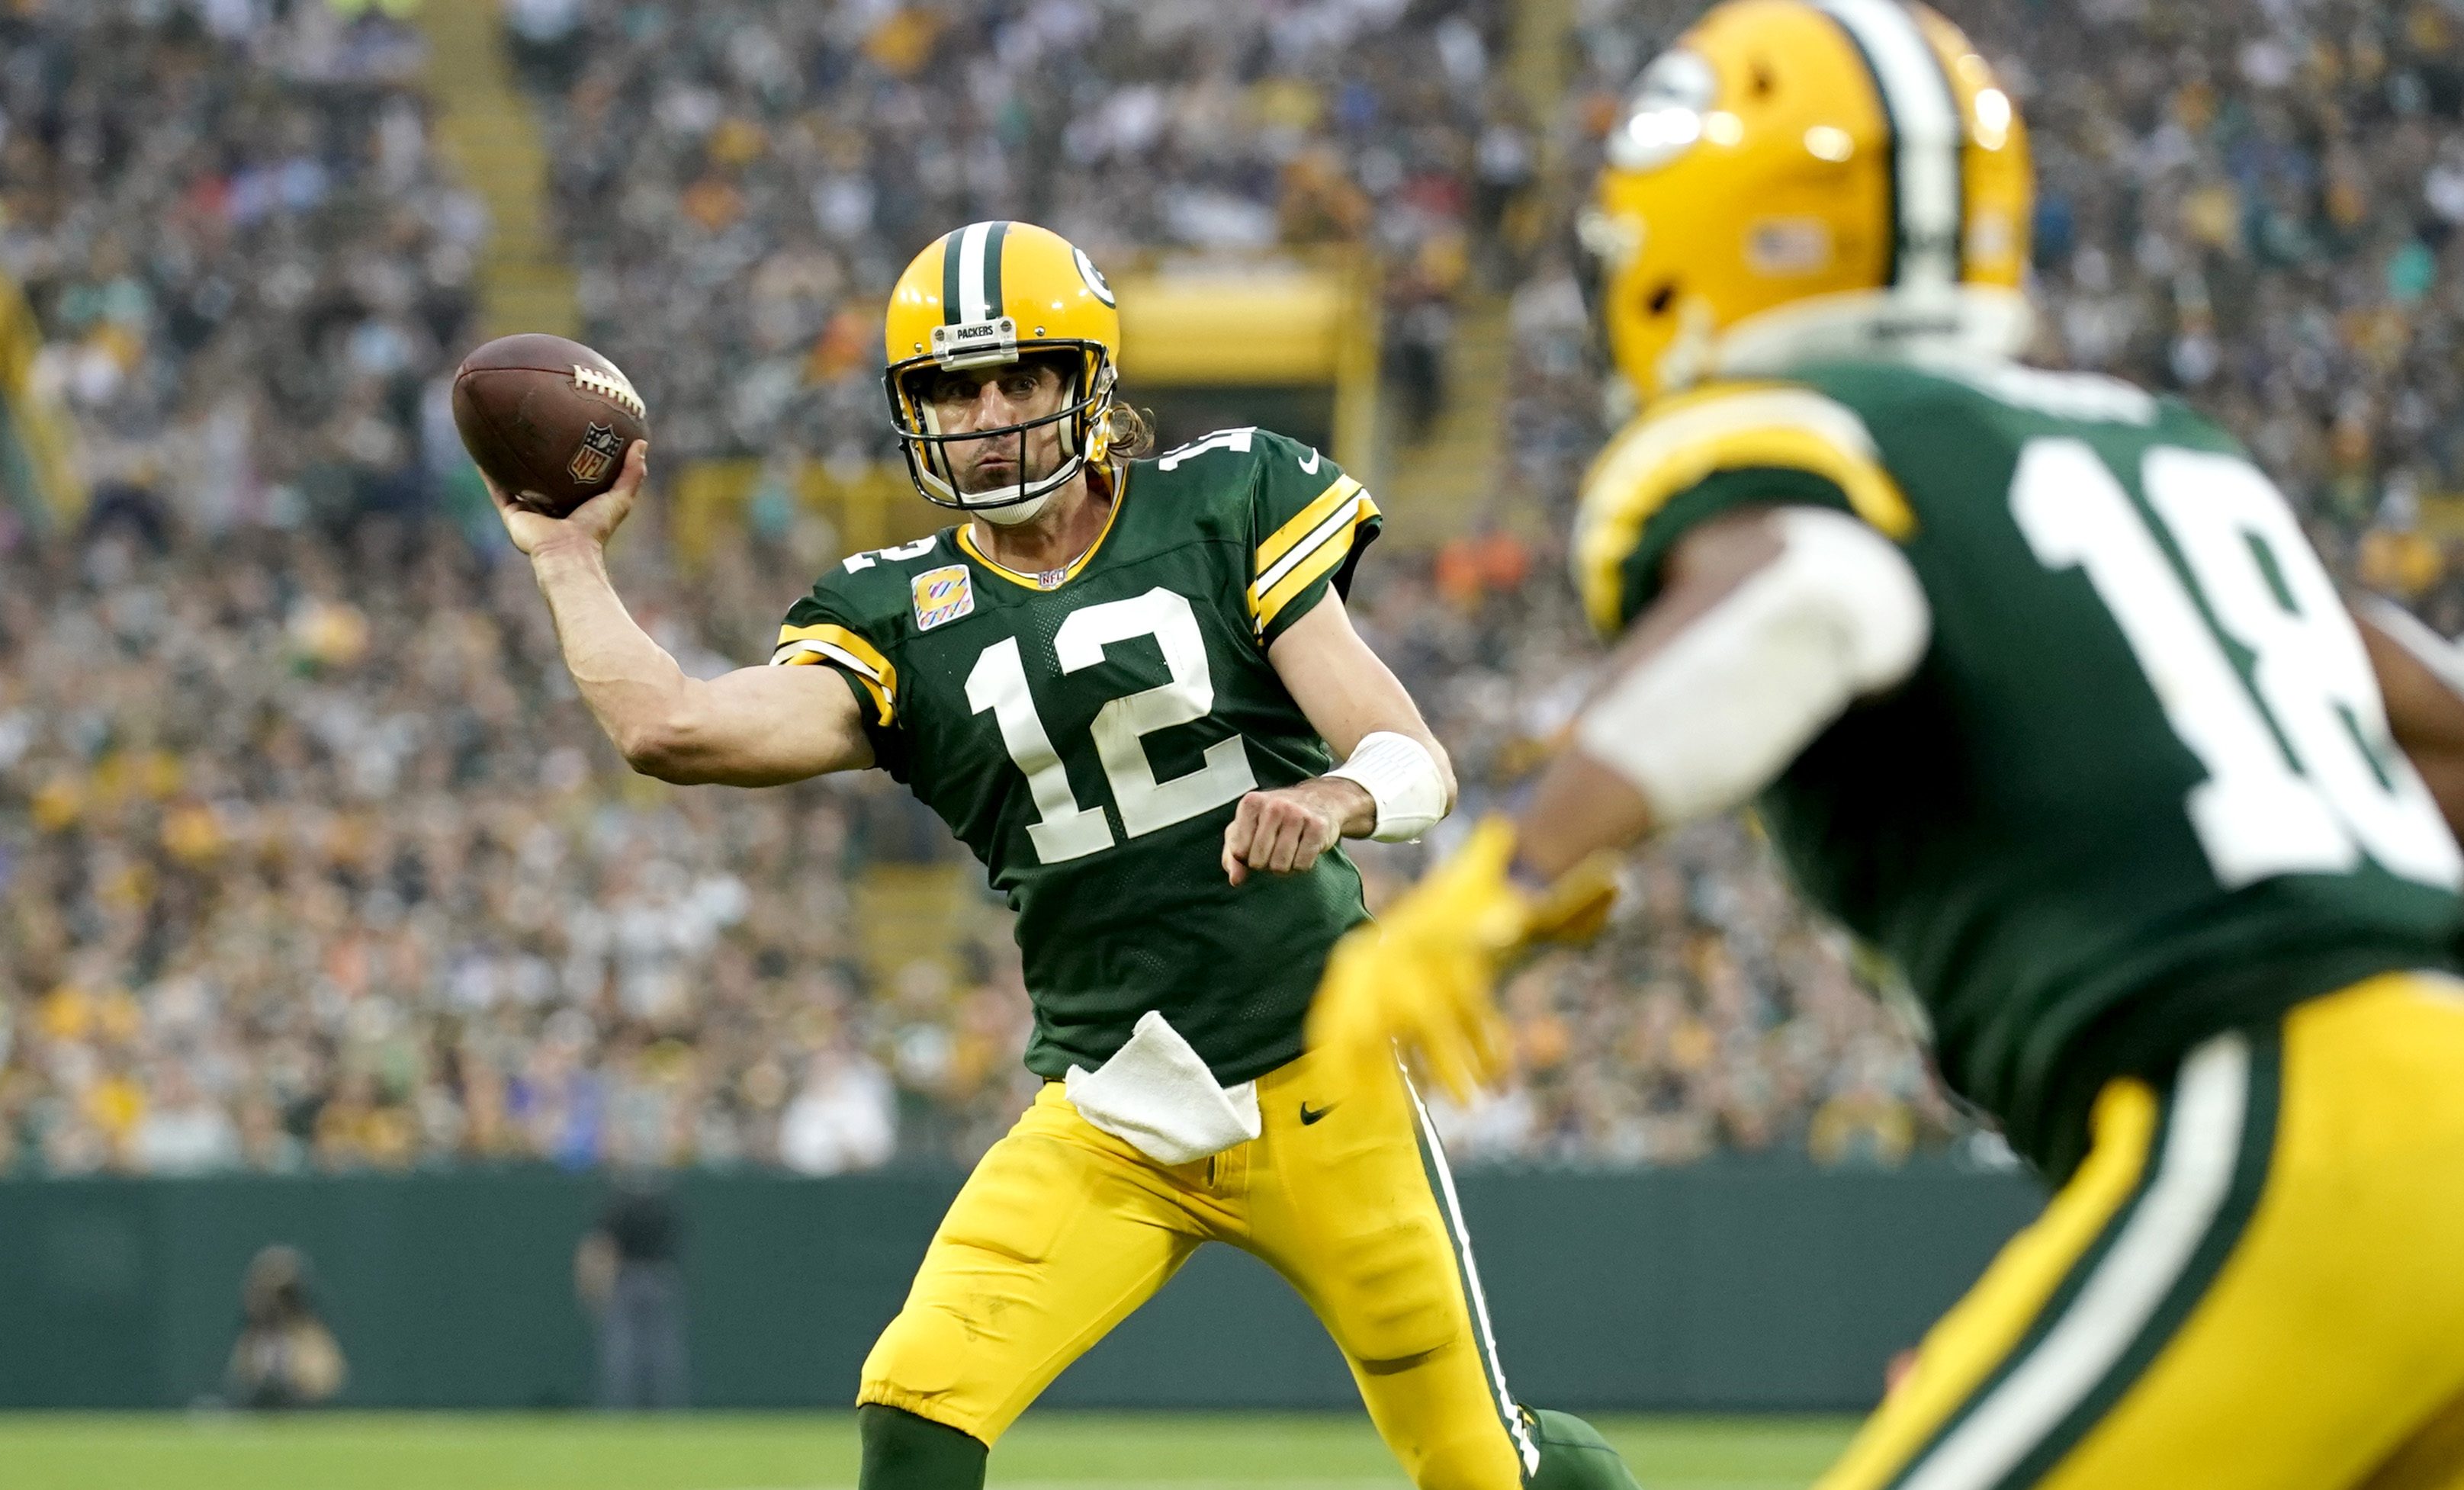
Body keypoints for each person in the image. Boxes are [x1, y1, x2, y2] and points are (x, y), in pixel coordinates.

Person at [1310, 4, 2464, 1488]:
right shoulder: (2168, 453)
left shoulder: (1786, 435)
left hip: (2295, 1125)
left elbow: (1819, 593)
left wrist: (1522, 857)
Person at [483, 220, 1640, 1490]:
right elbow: (672, 726)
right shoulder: (894, 611)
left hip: (1321, 1080)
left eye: (1015, 377)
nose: (984, 414)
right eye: (949, 389)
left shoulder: (1222, 501)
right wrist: (567, 557)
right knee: (914, 1402)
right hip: (1108, 1105)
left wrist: (1335, 797)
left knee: (1481, 1467)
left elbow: (1410, 756)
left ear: (1083, 381)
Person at [577, 1170, 688, 1409]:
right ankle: (659, 1411)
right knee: (651, 1352)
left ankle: (625, 1411)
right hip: (653, 1280)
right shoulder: (662, 1205)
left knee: (627, 1351)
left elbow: (601, 1248)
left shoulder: (618, 1205)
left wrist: (595, 1285)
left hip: (631, 1281)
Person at [225, 1244, 347, 1409]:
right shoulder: (254, 1336)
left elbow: (326, 1381)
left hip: (303, 1413)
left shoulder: (309, 1334)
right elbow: (242, 1379)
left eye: (280, 1295)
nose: (271, 1302)